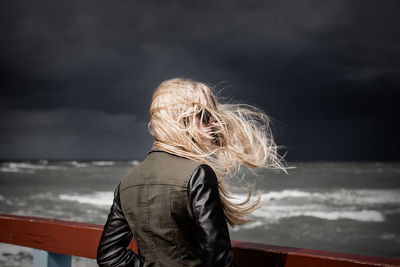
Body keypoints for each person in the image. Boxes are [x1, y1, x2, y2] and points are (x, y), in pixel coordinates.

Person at [97, 78, 286, 267]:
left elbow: (109, 257)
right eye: (204, 116)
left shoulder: (128, 182)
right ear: (181, 119)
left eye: (212, 115)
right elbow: (219, 261)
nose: (212, 122)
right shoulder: (198, 174)